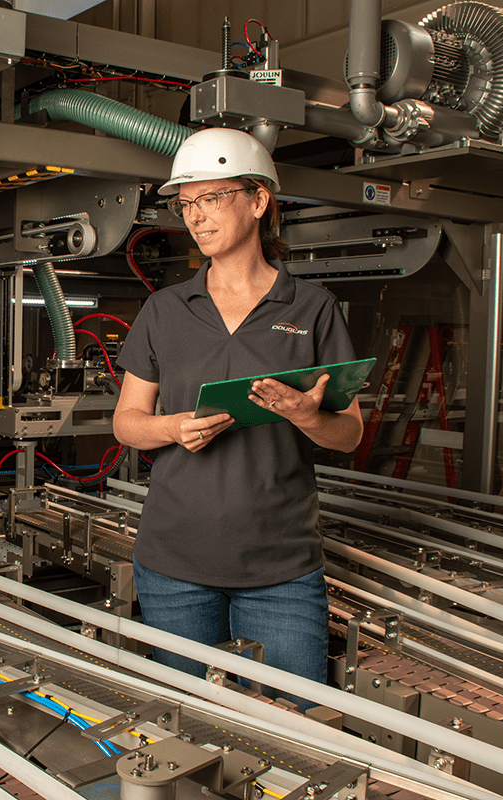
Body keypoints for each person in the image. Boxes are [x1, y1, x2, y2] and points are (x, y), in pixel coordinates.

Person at [112, 127, 364, 708]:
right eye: (186, 204)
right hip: (173, 563)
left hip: (282, 567)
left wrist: (306, 415)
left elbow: (349, 434)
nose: (196, 217)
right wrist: (172, 428)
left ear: (258, 200)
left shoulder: (312, 308)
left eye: (211, 198)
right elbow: (128, 421)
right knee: (188, 725)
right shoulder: (164, 309)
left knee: (292, 732)